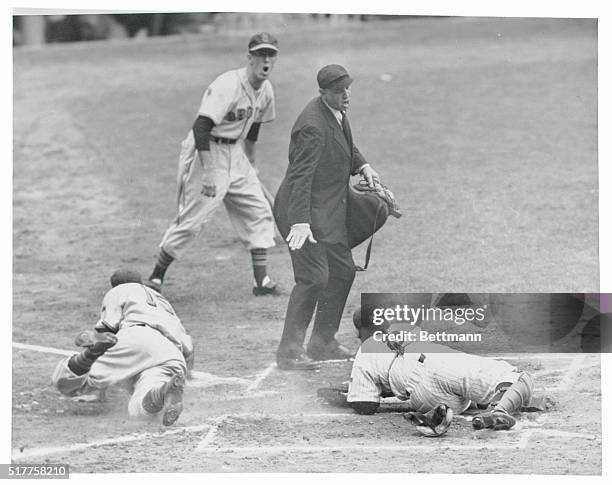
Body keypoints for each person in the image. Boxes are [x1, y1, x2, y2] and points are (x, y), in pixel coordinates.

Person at [148, 32, 280, 296]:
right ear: (250, 58)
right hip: (207, 150)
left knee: (258, 210)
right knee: (194, 219)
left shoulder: (265, 90)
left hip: (237, 154)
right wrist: (208, 171)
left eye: (270, 55)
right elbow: (202, 126)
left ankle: (261, 281)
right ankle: (156, 277)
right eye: (261, 54)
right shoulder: (227, 85)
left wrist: (251, 164)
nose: (266, 60)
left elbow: (253, 128)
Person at [273, 64, 380, 370]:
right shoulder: (312, 127)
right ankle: (289, 352)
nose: (346, 95)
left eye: (348, 88)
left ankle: (322, 342)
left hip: (326, 212)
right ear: (323, 93)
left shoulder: (335, 111)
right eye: (338, 91)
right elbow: (300, 177)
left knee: (343, 271)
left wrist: (363, 165)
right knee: (314, 277)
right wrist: (300, 221)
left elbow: (346, 144)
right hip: (300, 212)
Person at [52, 269, 194, 426]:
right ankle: (161, 392)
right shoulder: (162, 302)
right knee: (142, 409)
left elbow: (107, 330)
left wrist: (98, 389)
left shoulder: (119, 291)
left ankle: (89, 355)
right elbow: (189, 350)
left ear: (115, 286)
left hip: (135, 336)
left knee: (65, 379)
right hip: (171, 352)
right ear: (141, 282)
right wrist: (183, 374)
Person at [346, 313, 534, 431]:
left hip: (422, 397)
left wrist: (345, 397)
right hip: (436, 364)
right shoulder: (404, 327)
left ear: (359, 331)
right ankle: (500, 408)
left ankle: (436, 416)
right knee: (517, 378)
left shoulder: (364, 353)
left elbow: (365, 406)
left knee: (465, 401)